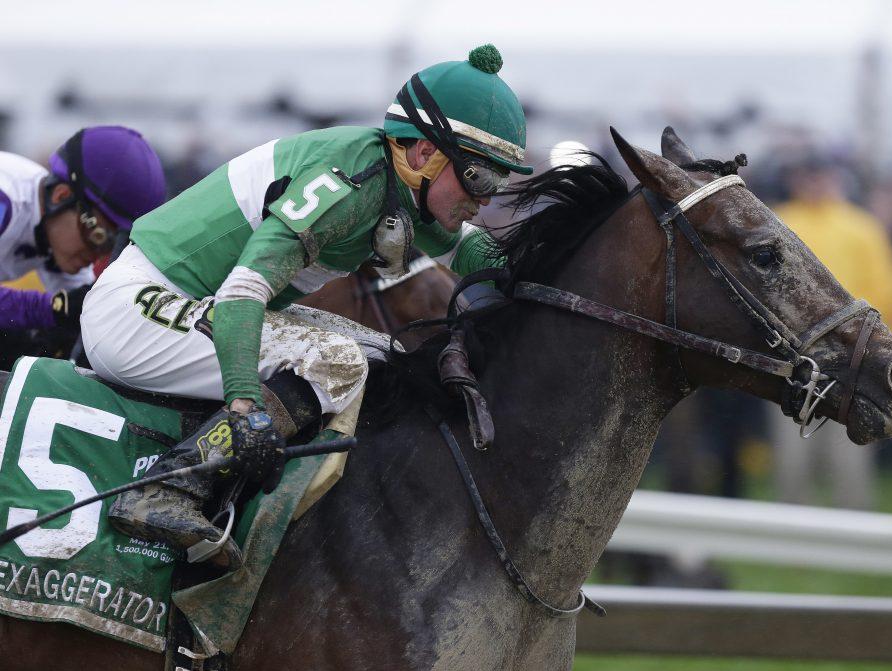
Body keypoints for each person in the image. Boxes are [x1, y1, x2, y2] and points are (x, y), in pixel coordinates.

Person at [81, 44, 530, 568]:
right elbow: (243, 293)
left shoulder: (399, 182)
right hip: (139, 307)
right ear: (422, 154)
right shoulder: (348, 182)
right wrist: (244, 404)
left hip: (192, 304)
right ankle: (169, 489)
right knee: (338, 360)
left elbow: (470, 249)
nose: (485, 197)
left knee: (386, 355)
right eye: (479, 177)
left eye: (499, 181)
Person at [769, 157, 892, 509]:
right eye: (809, 175)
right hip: (793, 355)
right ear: (798, 178)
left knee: (850, 449)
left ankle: (854, 522)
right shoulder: (780, 220)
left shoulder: (861, 228)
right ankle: (792, 522)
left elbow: (883, 290)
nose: (815, 183)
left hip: (851, 359)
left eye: (822, 175)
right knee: (791, 449)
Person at [0, 127, 166, 340]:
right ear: (61, 196)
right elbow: (58, 310)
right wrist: (51, 310)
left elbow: (87, 317)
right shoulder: (7, 201)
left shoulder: (56, 231)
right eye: (100, 237)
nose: (98, 255)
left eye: (113, 246)